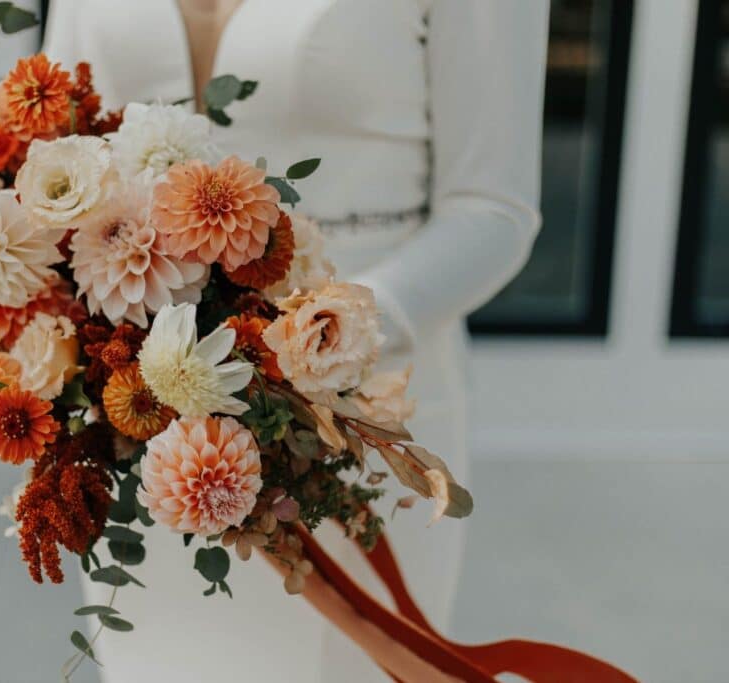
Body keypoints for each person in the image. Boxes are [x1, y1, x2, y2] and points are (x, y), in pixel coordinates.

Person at [43, 1, 548, 680]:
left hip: (358, 417)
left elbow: (494, 210)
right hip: (140, 420)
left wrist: (321, 342)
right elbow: (51, 141)